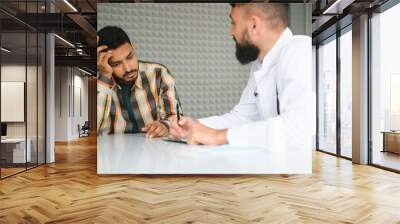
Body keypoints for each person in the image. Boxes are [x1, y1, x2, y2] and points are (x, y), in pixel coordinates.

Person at [170, 3, 313, 152]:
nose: (231, 32)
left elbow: (298, 131)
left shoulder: (300, 51)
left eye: (233, 22)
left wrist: (218, 136)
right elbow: (243, 118)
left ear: (254, 25)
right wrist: (195, 126)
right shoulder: (260, 64)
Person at [97, 26, 179, 138]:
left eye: (130, 57)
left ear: (134, 48)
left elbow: (175, 116)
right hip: (114, 152)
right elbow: (94, 130)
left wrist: (165, 125)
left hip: (153, 149)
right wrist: (105, 77)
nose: (128, 69)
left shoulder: (158, 74)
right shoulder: (99, 84)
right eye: (116, 64)